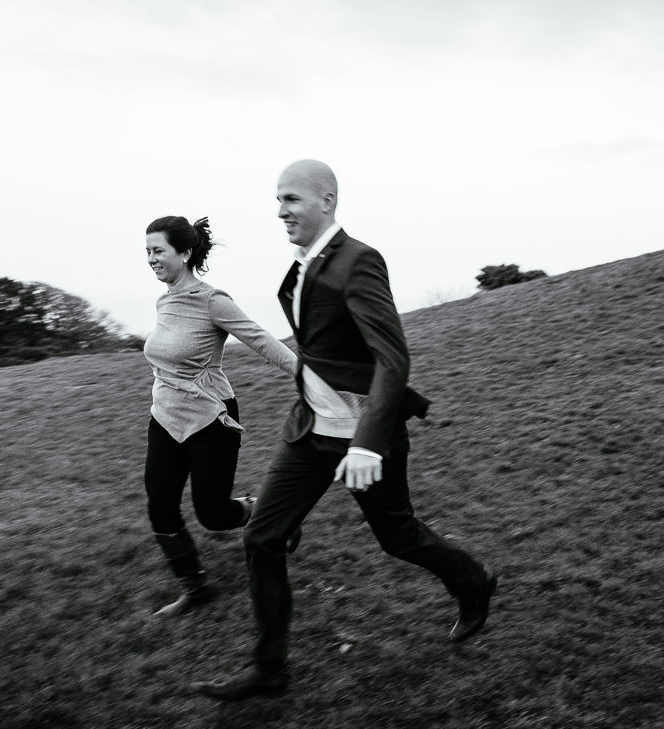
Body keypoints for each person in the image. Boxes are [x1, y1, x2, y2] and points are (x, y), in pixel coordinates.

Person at [191, 161, 497, 700]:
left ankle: (474, 582)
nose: (281, 211)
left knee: (397, 536)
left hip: (361, 436)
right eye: (278, 201)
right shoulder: (303, 265)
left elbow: (392, 358)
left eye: (291, 199)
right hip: (308, 429)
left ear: (326, 201)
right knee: (263, 536)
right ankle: (269, 669)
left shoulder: (358, 262)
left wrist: (367, 442)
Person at [141, 215, 297, 616]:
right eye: (148, 252)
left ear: (185, 252)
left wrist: (307, 376)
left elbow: (260, 339)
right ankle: (195, 589)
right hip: (165, 417)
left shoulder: (211, 300)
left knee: (212, 514)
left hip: (212, 418)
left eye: (158, 251)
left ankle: (274, 515)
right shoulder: (165, 298)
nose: (151, 259)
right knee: (160, 504)